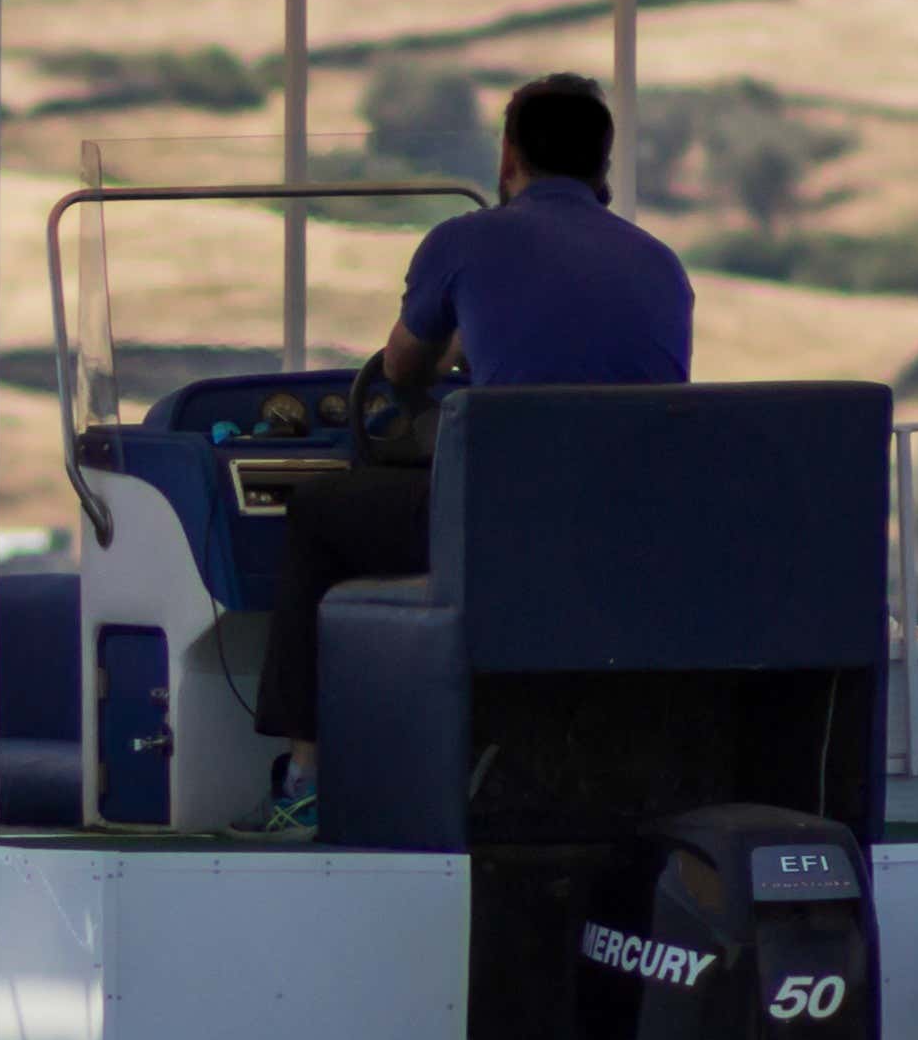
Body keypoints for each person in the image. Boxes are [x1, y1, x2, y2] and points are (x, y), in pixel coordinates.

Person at [255, 74, 692, 804]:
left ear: (507, 157)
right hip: (627, 533)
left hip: (498, 527)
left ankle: (304, 778)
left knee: (320, 514)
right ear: (604, 166)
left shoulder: (465, 240)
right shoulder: (663, 265)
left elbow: (399, 368)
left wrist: (456, 352)